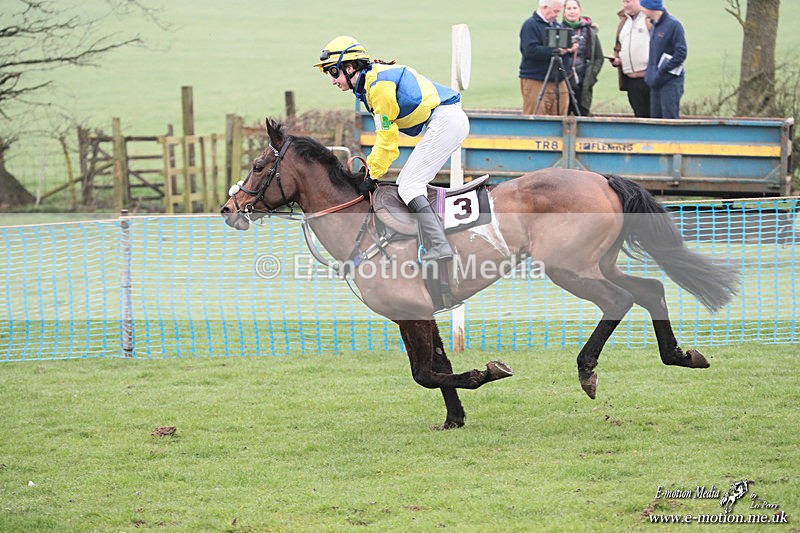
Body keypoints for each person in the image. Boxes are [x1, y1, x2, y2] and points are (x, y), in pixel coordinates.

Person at [313, 36, 468, 262]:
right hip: (446, 120)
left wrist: (372, 174)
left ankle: (440, 245)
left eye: (333, 73)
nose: (333, 80)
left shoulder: (378, 89)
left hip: (446, 121)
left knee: (409, 186)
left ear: (349, 67)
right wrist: (371, 171)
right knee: (407, 183)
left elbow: (387, 141)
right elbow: (384, 137)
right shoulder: (373, 80)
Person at [519, 0, 577, 115]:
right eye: (555, 11)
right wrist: (556, 51)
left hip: (558, 80)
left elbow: (563, 53)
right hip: (536, 79)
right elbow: (530, 51)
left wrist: (569, 50)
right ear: (545, 7)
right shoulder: (530, 25)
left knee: (560, 118)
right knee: (536, 118)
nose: (557, 15)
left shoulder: (556, 25)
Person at [640, 0, 687, 119]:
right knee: (656, 123)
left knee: (669, 122)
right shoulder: (655, 25)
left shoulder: (673, 25)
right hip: (656, 83)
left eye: (643, 6)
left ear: (651, 6)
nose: (641, 9)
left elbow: (681, 53)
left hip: (670, 82)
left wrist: (662, 70)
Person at [562, 0, 604, 116]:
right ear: (564, 12)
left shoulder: (590, 32)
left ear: (580, 10)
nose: (572, 12)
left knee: (582, 115)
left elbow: (599, 57)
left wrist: (592, 75)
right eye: (569, 9)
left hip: (583, 83)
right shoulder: (558, 29)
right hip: (563, 82)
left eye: (574, 8)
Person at [611, 0, 652, 118]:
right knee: (639, 117)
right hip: (631, 81)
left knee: (654, 117)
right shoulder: (623, 22)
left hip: (649, 79)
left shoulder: (649, 19)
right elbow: (618, 47)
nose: (625, 5)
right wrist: (617, 60)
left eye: (628, 1)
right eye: (623, 2)